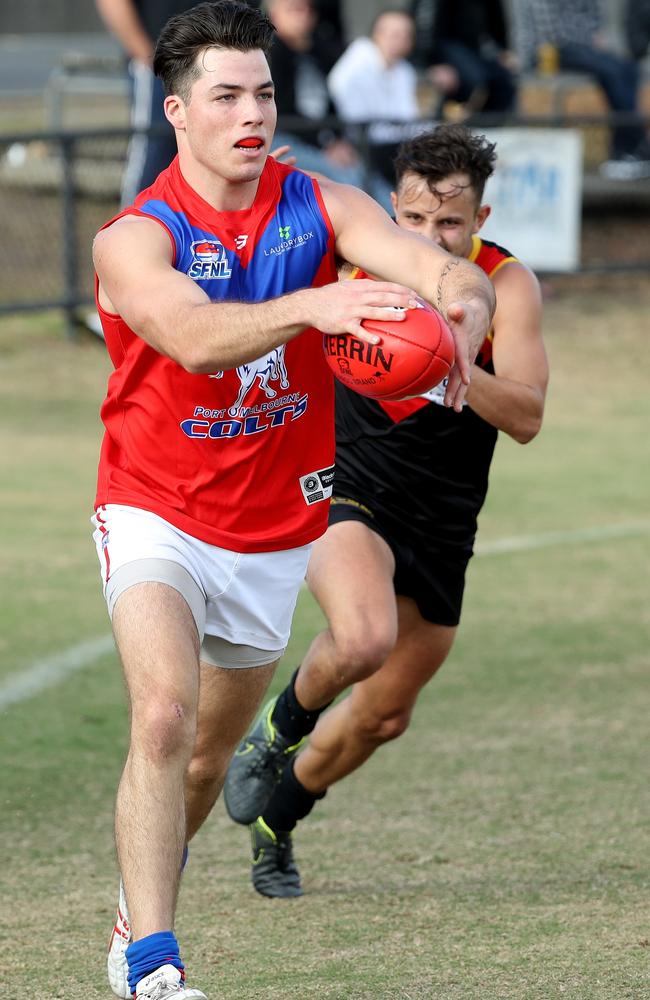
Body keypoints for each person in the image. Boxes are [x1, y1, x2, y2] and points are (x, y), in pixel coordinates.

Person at [91, 2, 495, 997]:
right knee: (161, 715)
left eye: (263, 93)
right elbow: (188, 334)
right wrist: (314, 305)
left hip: (273, 525)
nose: (251, 112)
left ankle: (132, 908)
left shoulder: (321, 203)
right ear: (177, 111)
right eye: (225, 95)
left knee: (200, 762)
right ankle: (153, 960)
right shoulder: (135, 236)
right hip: (154, 505)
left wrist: (457, 302)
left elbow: (425, 263)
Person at [224, 122, 548, 899]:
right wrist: (258, 185)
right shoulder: (356, 258)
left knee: (383, 715)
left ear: (480, 223)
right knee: (363, 634)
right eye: (414, 219)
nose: (431, 236)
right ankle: (278, 727)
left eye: (450, 223)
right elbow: (245, 255)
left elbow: (529, 415)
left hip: (444, 516)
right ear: (392, 212)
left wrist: (452, 372)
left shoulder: (505, 287)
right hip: (345, 485)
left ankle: (279, 819)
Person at [515, 0, 650, 180]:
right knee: (611, 72)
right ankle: (633, 147)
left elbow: (594, 21)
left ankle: (627, 148)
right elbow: (550, 35)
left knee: (627, 68)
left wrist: (594, 42)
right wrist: (588, 46)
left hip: (584, 48)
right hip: (548, 51)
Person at [327, 9, 423, 184]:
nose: (401, 40)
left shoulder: (404, 70)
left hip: (395, 148)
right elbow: (361, 124)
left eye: (406, 35)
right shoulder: (355, 66)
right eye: (395, 34)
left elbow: (409, 118)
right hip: (364, 151)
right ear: (377, 34)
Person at [411, 0, 518, 117]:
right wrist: (431, 64)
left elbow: (497, 22)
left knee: (504, 79)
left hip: (476, 50)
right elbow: (424, 25)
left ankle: (488, 126)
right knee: (472, 79)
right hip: (443, 48)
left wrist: (503, 50)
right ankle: (445, 123)